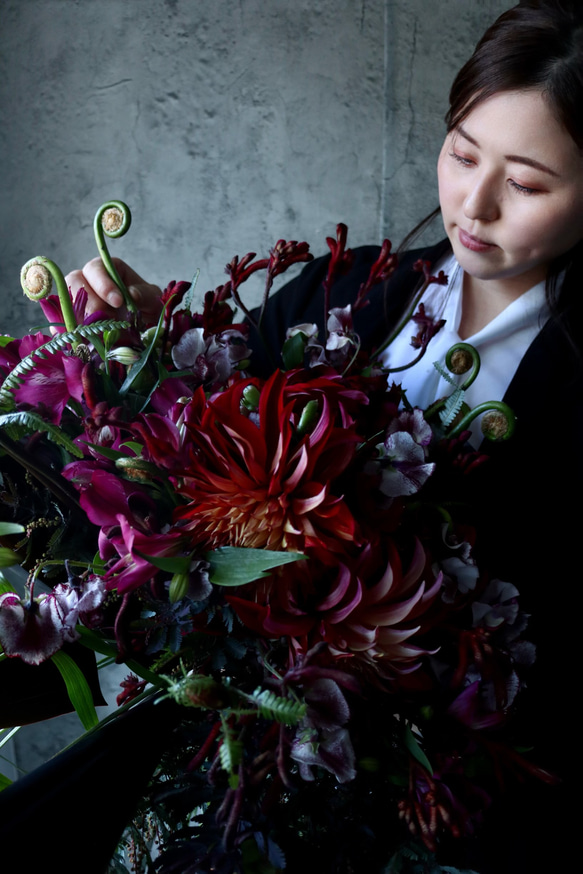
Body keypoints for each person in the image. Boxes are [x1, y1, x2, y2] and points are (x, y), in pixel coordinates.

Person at [58, 0, 583, 869]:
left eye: (525, 184)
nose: (474, 203)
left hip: (436, 797)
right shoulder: (344, 292)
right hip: (240, 737)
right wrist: (148, 343)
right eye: (459, 154)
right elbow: (205, 423)